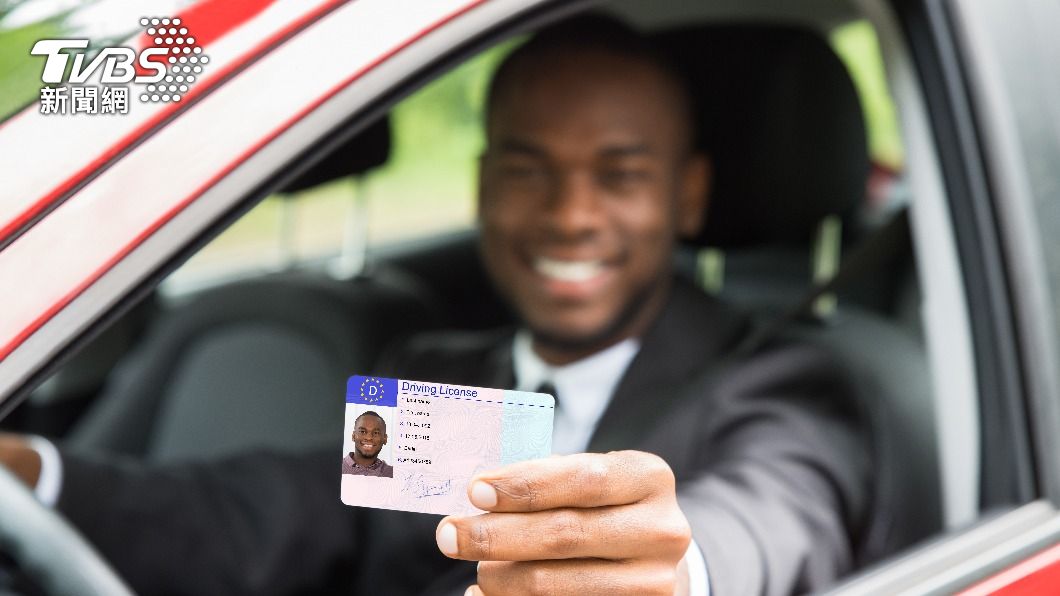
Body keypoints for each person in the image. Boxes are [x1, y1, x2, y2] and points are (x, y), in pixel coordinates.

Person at [0, 15, 870, 595]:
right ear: (484, 185)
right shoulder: (436, 377)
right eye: (528, 169)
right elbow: (265, 514)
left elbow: (772, 521)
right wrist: (36, 475)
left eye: (620, 176)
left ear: (688, 195)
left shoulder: (783, 382)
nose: (569, 215)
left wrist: (673, 570)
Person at [341, 411, 394, 478]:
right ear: (353, 436)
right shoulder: (333, 468)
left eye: (376, 433)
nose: (369, 438)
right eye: (362, 432)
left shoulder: (393, 474)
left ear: (385, 439)